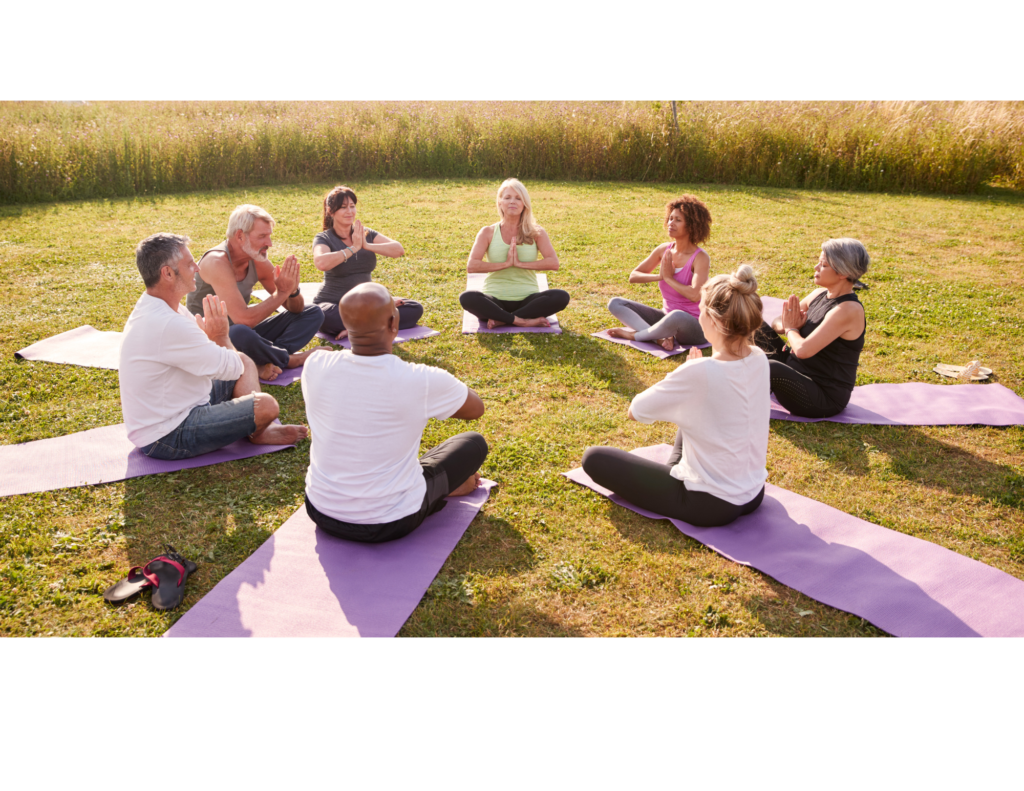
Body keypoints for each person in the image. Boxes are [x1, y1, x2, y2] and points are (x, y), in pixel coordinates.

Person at [302, 282, 488, 543]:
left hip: (320, 510)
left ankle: (429, 485)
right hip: (391, 520)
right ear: (394, 324)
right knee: (472, 443)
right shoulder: (420, 379)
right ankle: (443, 487)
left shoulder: (316, 364)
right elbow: (475, 408)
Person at [582, 266, 768, 528]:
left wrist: (688, 373)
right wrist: (695, 380)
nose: (699, 314)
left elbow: (635, 411)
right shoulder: (759, 358)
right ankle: (674, 473)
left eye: (701, 309)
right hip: (752, 493)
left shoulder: (699, 372)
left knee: (594, 458)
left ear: (713, 320)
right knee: (696, 409)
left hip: (711, 504)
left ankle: (673, 478)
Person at [120, 233, 307, 460]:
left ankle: (257, 430)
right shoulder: (167, 322)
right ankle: (257, 431)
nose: (197, 269)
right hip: (167, 435)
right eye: (189, 264)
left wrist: (214, 341)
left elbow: (223, 360)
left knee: (246, 360)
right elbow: (230, 367)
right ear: (167, 273)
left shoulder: (159, 305)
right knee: (266, 406)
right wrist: (220, 336)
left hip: (183, 404)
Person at [186, 204, 326, 381]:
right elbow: (244, 319)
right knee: (239, 332)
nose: (269, 243)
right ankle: (289, 359)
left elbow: (296, 310)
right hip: (210, 341)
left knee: (313, 313)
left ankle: (268, 358)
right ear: (240, 236)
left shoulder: (256, 259)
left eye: (269, 236)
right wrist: (282, 292)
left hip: (244, 335)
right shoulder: (216, 262)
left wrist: (293, 290)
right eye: (262, 236)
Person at [753, 238, 868, 418]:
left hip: (822, 396)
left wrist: (792, 329)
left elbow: (803, 350)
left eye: (823, 265)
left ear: (843, 273)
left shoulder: (848, 310)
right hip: (794, 368)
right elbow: (778, 322)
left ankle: (734, 404)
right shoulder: (819, 294)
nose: (816, 267)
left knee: (771, 368)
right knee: (752, 324)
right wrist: (789, 325)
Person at [312, 185, 422, 341]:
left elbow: (398, 250)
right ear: (331, 211)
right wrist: (352, 249)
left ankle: (358, 327)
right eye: (343, 207)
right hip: (334, 304)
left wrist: (367, 246)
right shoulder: (324, 238)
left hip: (366, 305)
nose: (349, 211)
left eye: (352, 206)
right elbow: (321, 262)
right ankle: (373, 323)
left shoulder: (365, 234)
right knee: (320, 315)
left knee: (414, 308)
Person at [604, 195, 712, 351]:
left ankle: (634, 335)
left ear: (691, 226)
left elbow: (695, 294)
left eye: (677, 220)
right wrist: (660, 276)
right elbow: (634, 276)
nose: (670, 223)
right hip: (666, 319)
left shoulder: (700, 258)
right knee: (615, 303)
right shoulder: (664, 250)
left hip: (694, 326)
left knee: (677, 315)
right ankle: (659, 338)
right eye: (670, 218)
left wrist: (668, 278)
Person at [459, 178, 570, 329]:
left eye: (518, 198)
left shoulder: (536, 232)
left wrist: (520, 264)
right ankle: (522, 320)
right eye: (507, 197)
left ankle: (503, 319)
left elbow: (553, 263)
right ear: (500, 202)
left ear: (524, 204)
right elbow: (472, 266)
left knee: (561, 296)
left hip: (528, 299)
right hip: (494, 299)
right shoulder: (488, 232)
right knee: (467, 297)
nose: (513, 201)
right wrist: (505, 264)